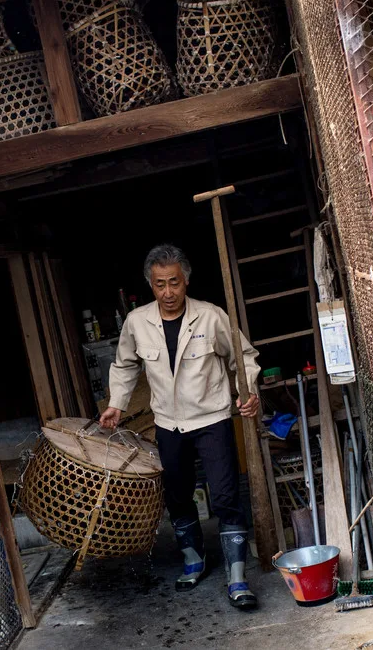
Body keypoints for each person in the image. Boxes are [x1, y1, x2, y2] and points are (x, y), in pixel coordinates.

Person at [99, 244, 262, 607]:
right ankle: (193, 559)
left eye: (174, 282)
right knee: (177, 494)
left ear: (186, 280)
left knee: (224, 495)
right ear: (150, 285)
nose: (168, 292)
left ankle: (237, 576)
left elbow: (242, 358)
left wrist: (246, 391)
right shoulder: (137, 323)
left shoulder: (210, 316)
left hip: (212, 418)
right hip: (168, 423)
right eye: (160, 285)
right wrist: (115, 405)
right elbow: (125, 366)